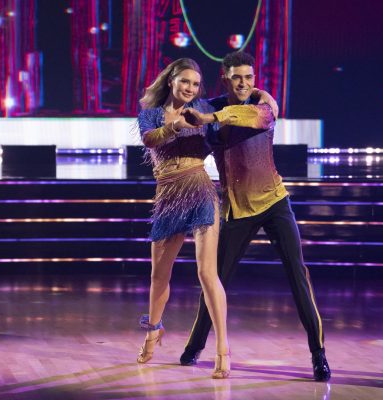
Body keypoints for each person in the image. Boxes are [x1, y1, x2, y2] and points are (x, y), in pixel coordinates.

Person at [179, 51, 331, 382]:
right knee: (215, 281)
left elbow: (253, 117)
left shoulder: (261, 107)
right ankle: (194, 346)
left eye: (249, 77)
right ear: (225, 77)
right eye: (237, 77)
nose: (244, 82)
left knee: (298, 275)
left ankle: (318, 355)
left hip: (275, 202)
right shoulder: (209, 107)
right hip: (236, 208)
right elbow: (189, 117)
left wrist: (207, 120)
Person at [136, 58, 230, 379]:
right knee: (159, 276)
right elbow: (150, 139)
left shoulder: (203, 109)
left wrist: (260, 94)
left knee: (207, 273)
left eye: (195, 83)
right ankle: (153, 332)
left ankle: (223, 350)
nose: (190, 88)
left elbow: (236, 105)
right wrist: (173, 125)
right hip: (168, 196)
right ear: (171, 81)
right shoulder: (151, 113)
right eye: (184, 82)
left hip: (201, 191)